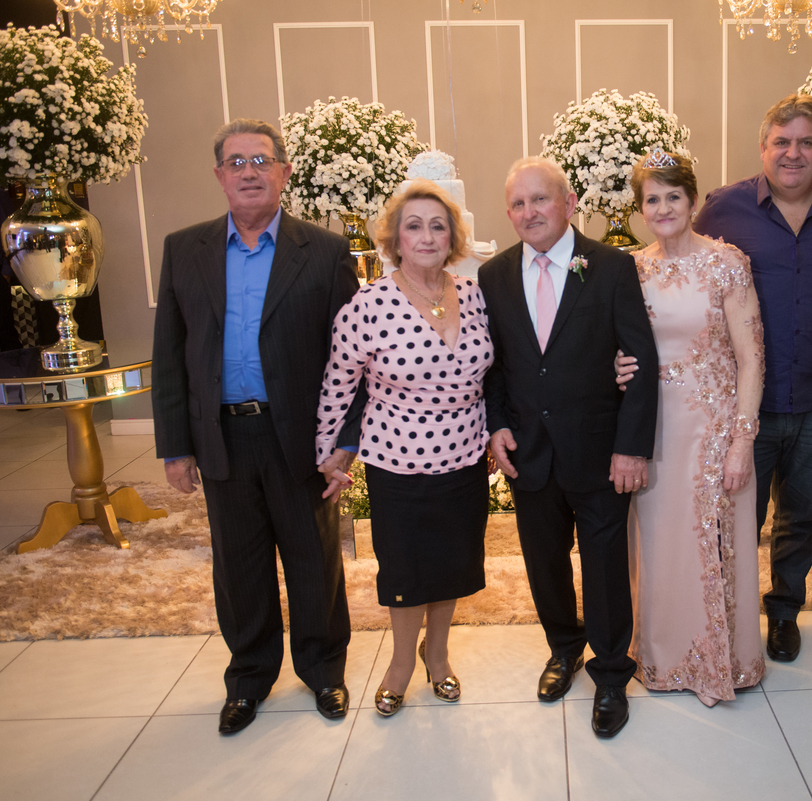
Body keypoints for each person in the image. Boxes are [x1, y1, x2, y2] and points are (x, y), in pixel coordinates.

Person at [152, 119, 358, 734]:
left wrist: (344, 442)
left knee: (313, 558)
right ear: (220, 175)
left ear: (284, 172)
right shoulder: (183, 248)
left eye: (261, 161)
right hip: (222, 435)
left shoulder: (324, 251)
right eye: (236, 162)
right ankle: (248, 678)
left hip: (300, 437)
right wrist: (175, 446)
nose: (249, 172)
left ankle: (324, 670)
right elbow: (170, 354)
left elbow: (352, 356)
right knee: (238, 566)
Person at [478, 156, 658, 738]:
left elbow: (641, 358)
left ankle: (611, 674)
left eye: (541, 199)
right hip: (528, 451)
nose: (529, 212)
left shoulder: (611, 266)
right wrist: (496, 425)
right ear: (508, 213)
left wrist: (631, 447)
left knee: (604, 566)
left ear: (569, 203)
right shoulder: (493, 276)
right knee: (544, 560)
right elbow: (493, 366)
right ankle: (563, 648)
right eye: (518, 203)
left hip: (600, 450)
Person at [692, 94, 812, 662]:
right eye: (782, 142)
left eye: (806, 142)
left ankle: (785, 612)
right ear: (763, 147)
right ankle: (732, 618)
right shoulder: (723, 209)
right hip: (748, 407)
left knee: (800, 519)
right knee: (738, 519)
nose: (794, 153)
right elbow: (685, 272)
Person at [314, 181, 493, 716]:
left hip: (465, 455)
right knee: (406, 569)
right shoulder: (367, 305)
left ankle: (437, 654)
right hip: (398, 460)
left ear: (453, 237)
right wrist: (329, 451)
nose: (427, 236)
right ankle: (400, 664)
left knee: (453, 563)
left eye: (438, 226)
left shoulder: (475, 294)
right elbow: (338, 385)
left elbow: (499, 372)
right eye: (414, 226)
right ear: (395, 239)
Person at [622, 149, 766, 707]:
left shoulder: (726, 263)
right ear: (640, 209)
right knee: (659, 544)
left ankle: (719, 663)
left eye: (672, 197)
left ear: (691, 200)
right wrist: (617, 364)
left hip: (713, 428)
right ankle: (663, 658)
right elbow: (620, 341)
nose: (662, 209)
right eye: (651, 200)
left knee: (712, 541)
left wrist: (741, 441)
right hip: (652, 429)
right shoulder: (632, 268)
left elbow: (751, 358)